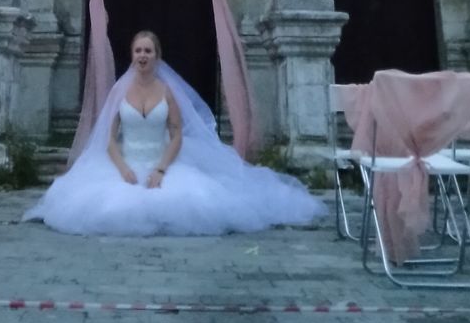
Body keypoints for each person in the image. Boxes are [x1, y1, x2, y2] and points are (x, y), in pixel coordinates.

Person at [24, 31, 326, 236]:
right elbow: (110, 138)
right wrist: (123, 168)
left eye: (148, 51)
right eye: (138, 50)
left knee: (195, 202)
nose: (143, 56)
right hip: (126, 162)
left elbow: (177, 134)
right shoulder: (119, 91)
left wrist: (160, 169)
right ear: (131, 54)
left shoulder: (168, 91)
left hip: (162, 160)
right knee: (108, 206)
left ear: (157, 56)